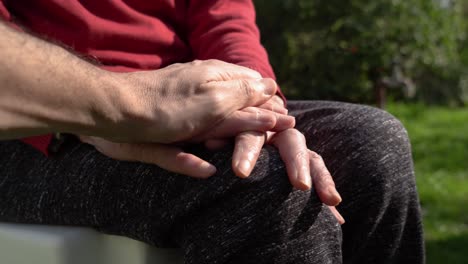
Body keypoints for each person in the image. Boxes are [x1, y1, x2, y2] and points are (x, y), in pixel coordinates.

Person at [0, 1, 424, 263]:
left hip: (182, 97)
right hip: (37, 121)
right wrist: (111, 106)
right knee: (265, 183)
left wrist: (254, 100)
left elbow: (224, 16)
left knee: (373, 143)